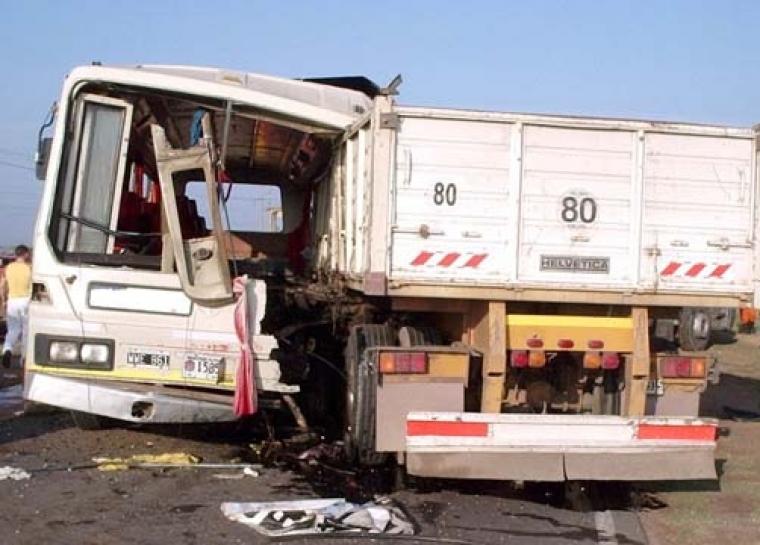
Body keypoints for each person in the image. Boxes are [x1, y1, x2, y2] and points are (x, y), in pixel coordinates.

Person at [1, 245, 31, 368]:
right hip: (25, 300)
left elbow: (2, 286)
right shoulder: (29, 268)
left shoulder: (8, 268)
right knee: (25, 330)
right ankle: (23, 358)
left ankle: (7, 349)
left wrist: (4, 300)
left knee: (13, 329)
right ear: (25, 254)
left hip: (12, 300)